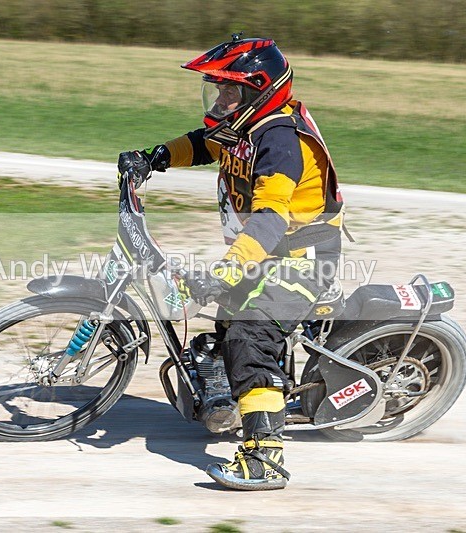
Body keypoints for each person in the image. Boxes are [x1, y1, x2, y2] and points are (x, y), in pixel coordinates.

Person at [117, 34, 345, 491]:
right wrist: (154, 157)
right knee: (224, 320)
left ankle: (265, 457)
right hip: (269, 252)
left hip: (300, 257)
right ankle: (231, 391)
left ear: (259, 91)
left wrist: (227, 270)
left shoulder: (280, 141)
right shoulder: (246, 125)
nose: (220, 99)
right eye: (217, 88)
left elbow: (268, 219)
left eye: (229, 90)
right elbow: (208, 145)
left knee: (247, 336)